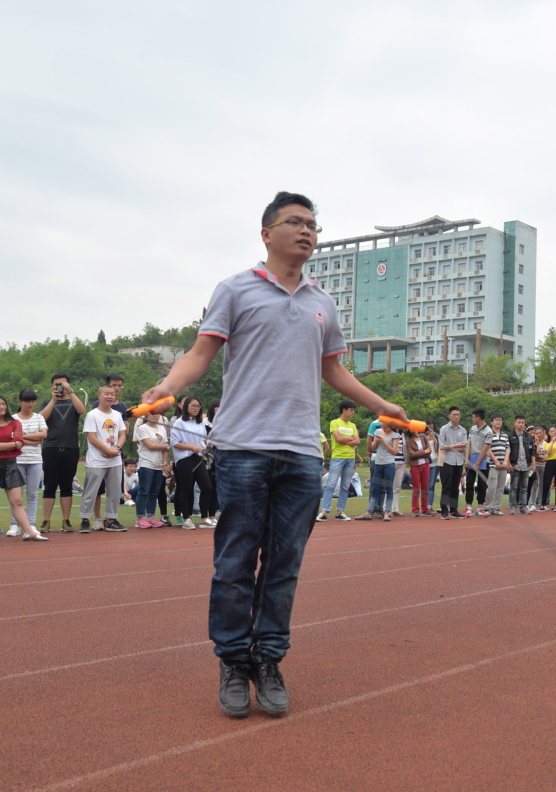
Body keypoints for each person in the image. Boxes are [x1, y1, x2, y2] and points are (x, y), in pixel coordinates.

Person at [138, 190, 409, 719]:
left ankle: (269, 659)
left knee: (284, 564)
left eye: (313, 225)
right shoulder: (236, 290)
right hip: (241, 448)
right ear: (267, 233)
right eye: (295, 222)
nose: (308, 231)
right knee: (236, 561)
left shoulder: (321, 302)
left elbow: (335, 372)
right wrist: (162, 387)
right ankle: (234, 661)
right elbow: (200, 354)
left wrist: (383, 405)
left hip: (304, 453)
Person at [0, 393, 46, 542]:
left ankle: (30, 531)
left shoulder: (15, 422)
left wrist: (7, 445)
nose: (2, 407)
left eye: (3, 404)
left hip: (10, 464)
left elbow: (18, 442)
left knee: (17, 501)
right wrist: (11, 445)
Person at [39, 373, 86, 532]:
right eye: (57, 384)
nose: (60, 387)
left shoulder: (73, 401)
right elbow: (41, 418)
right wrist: (53, 399)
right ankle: (46, 521)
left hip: (71, 447)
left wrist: (71, 392)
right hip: (50, 447)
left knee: (67, 486)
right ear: (52, 386)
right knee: (49, 485)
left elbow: (82, 410)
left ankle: (66, 520)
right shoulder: (47, 402)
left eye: (63, 384)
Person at [78, 385, 127, 533]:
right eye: (106, 394)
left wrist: (117, 449)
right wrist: (107, 450)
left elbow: (123, 434)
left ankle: (111, 519)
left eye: (112, 394)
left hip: (115, 460)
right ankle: (85, 519)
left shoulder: (117, 415)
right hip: (97, 460)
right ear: (99, 395)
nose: (110, 396)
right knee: (91, 491)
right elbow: (92, 438)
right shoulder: (92, 415)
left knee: (114, 491)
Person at [171, 396, 215, 529]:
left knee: (207, 487)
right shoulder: (179, 423)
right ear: (186, 407)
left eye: (198, 406)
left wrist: (208, 443)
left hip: (198, 457)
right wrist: (191, 447)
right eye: (193, 406)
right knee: (186, 488)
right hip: (184, 459)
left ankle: (204, 518)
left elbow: (202, 439)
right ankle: (186, 519)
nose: (196, 408)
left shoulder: (199, 422)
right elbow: (174, 443)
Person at [13, 388, 48, 534]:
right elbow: (13, 438)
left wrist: (23, 438)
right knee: (16, 495)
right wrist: (34, 439)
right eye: (27, 401)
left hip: (35, 460)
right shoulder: (13, 418)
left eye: (33, 401)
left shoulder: (39, 417)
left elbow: (43, 435)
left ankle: (31, 523)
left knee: (32, 494)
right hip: (17, 459)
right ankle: (14, 524)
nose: (31, 404)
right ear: (20, 401)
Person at [319, 400, 360, 521]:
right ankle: (324, 512)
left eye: (354, 410)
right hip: (338, 457)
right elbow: (338, 439)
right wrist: (351, 438)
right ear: (344, 410)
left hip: (350, 458)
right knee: (331, 484)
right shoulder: (335, 422)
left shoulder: (352, 425)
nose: (353, 412)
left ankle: (340, 512)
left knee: (345, 486)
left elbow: (357, 442)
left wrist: (345, 439)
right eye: (351, 410)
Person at [134, 413, 169, 527]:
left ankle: (151, 516)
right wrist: (165, 446)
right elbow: (151, 446)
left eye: (156, 413)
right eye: (151, 413)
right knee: (144, 491)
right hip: (146, 464)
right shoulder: (143, 428)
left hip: (159, 465)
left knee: (154, 492)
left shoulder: (162, 428)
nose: (154, 415)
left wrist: (164, 463)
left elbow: (166, 448)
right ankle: (140, 518)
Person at [436, 407, 467, 521]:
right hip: (447, 462)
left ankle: (454, 510)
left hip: (458, 462)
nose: (456, 417)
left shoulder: (462, 430)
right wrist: (455, 446)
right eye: (454, 414)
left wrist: (452, 447)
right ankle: (444, 510)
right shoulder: (444, 429)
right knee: (446, 487)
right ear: (449, 416)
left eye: (458, 414)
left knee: (455, 488)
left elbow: (463, 446)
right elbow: (442, 447)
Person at [370, 419, 400, 522]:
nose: (383, 429)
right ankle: (369, 511)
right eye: (382, 426)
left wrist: (384, 442)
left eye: (385, 427)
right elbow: (373, 447)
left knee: (388, 489)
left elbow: (394, 451)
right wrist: (376, 441)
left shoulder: (395, 435)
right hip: (378, 463)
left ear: (390, 426)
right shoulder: (378, 432)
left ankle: (387, 512)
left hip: (389, 464)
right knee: (375, 489)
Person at [464, 408, 492, 517]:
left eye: (473, 417)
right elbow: (469, 443)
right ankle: (468, 506)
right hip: (471, 458)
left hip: (483, 460)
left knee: (481, 484)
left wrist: (477, 463)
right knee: (469, 483)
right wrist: (467, 459)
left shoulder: (488, 431)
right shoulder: (472, 429)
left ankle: (480, 508)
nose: (472, 419)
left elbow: (485, 449)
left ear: (478, 418)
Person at [482, 413, 510, 516]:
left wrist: (506, 461)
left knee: (500, 487)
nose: (498, 422)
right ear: (491, 422)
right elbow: (487, 449)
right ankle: (486, 507)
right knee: (492, 487)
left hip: (504, 465)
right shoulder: (489, 434)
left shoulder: (505, 435)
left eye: (500, 420)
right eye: (496, 420)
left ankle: (495, 508)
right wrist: (496, 461)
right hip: (493, 464)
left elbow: (507, 448)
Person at [507, 416, 533, 515]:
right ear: (515, 423)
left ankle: (523, 506)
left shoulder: (528, 436)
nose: (521, 424)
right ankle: (513, 507)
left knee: (524, 488)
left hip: (526, 465)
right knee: (513, 487)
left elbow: (532, 451)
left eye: (522, 422)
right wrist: (509, 464)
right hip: (515, 465)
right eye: (519, 422)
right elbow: (507, 450)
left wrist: (533, 464)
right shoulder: (509, 436)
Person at [406, 428, 432, 517]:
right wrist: (424, 452)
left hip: (425, 464)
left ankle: (425, 509)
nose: (416, 430)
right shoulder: (409, 441)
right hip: (415, 466)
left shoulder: (423, 437)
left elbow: (429, 451)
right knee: (416, 489)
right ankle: (415, 509)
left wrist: (421, 453)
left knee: (425, 488)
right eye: (413, 429)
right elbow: (412, 454)